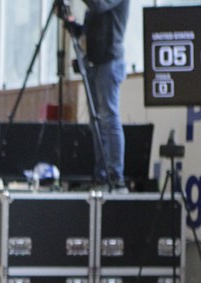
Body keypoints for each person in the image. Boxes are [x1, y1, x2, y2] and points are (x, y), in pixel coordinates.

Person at [73, 0, 130, 191]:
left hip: (110, 62)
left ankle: (116, 176)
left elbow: (97, 4)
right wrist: (69, 21)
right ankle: (102, 175)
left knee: (109, 117)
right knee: (96, 121)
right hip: (94, 62)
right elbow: (85, 31)